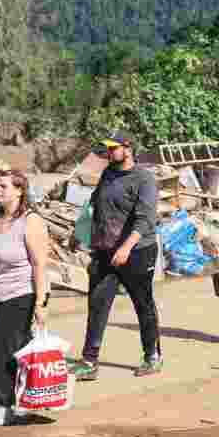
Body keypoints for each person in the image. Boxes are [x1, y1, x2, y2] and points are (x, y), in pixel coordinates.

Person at [70, 131, 162, 381]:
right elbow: (95, 204)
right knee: (97, 304)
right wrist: (80, 232)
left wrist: (126, 248)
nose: (108, 153)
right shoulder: (108, 174)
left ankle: (152, 355)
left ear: (128, 148)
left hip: (138, 251)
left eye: (113, 148)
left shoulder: (144, 179)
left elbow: (145, 219)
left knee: (142, 303)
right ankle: (89, 361)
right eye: (107, 149)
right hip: (105, 250)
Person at [0, 171, 50, 427]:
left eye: (3, 186)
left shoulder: (31, 221)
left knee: (1, 347)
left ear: (20, 191)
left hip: (22, 294)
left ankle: (2, 407)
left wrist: (41, 303)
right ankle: (23, 402)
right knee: (17, 351)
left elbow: (40, 264)